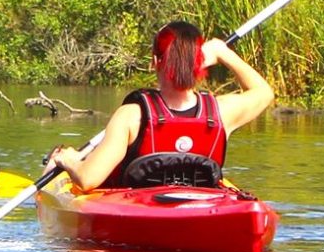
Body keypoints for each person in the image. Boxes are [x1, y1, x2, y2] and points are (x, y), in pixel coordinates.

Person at [47, 21, 273, 190]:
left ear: (155, 62)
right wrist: (225, 54)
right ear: (200, 62)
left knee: (53, 169)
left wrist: (68, 160)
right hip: (201, 207)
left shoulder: (131, 116)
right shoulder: (223, 112)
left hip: (139, 213)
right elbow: (264, 92)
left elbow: (88, 179)